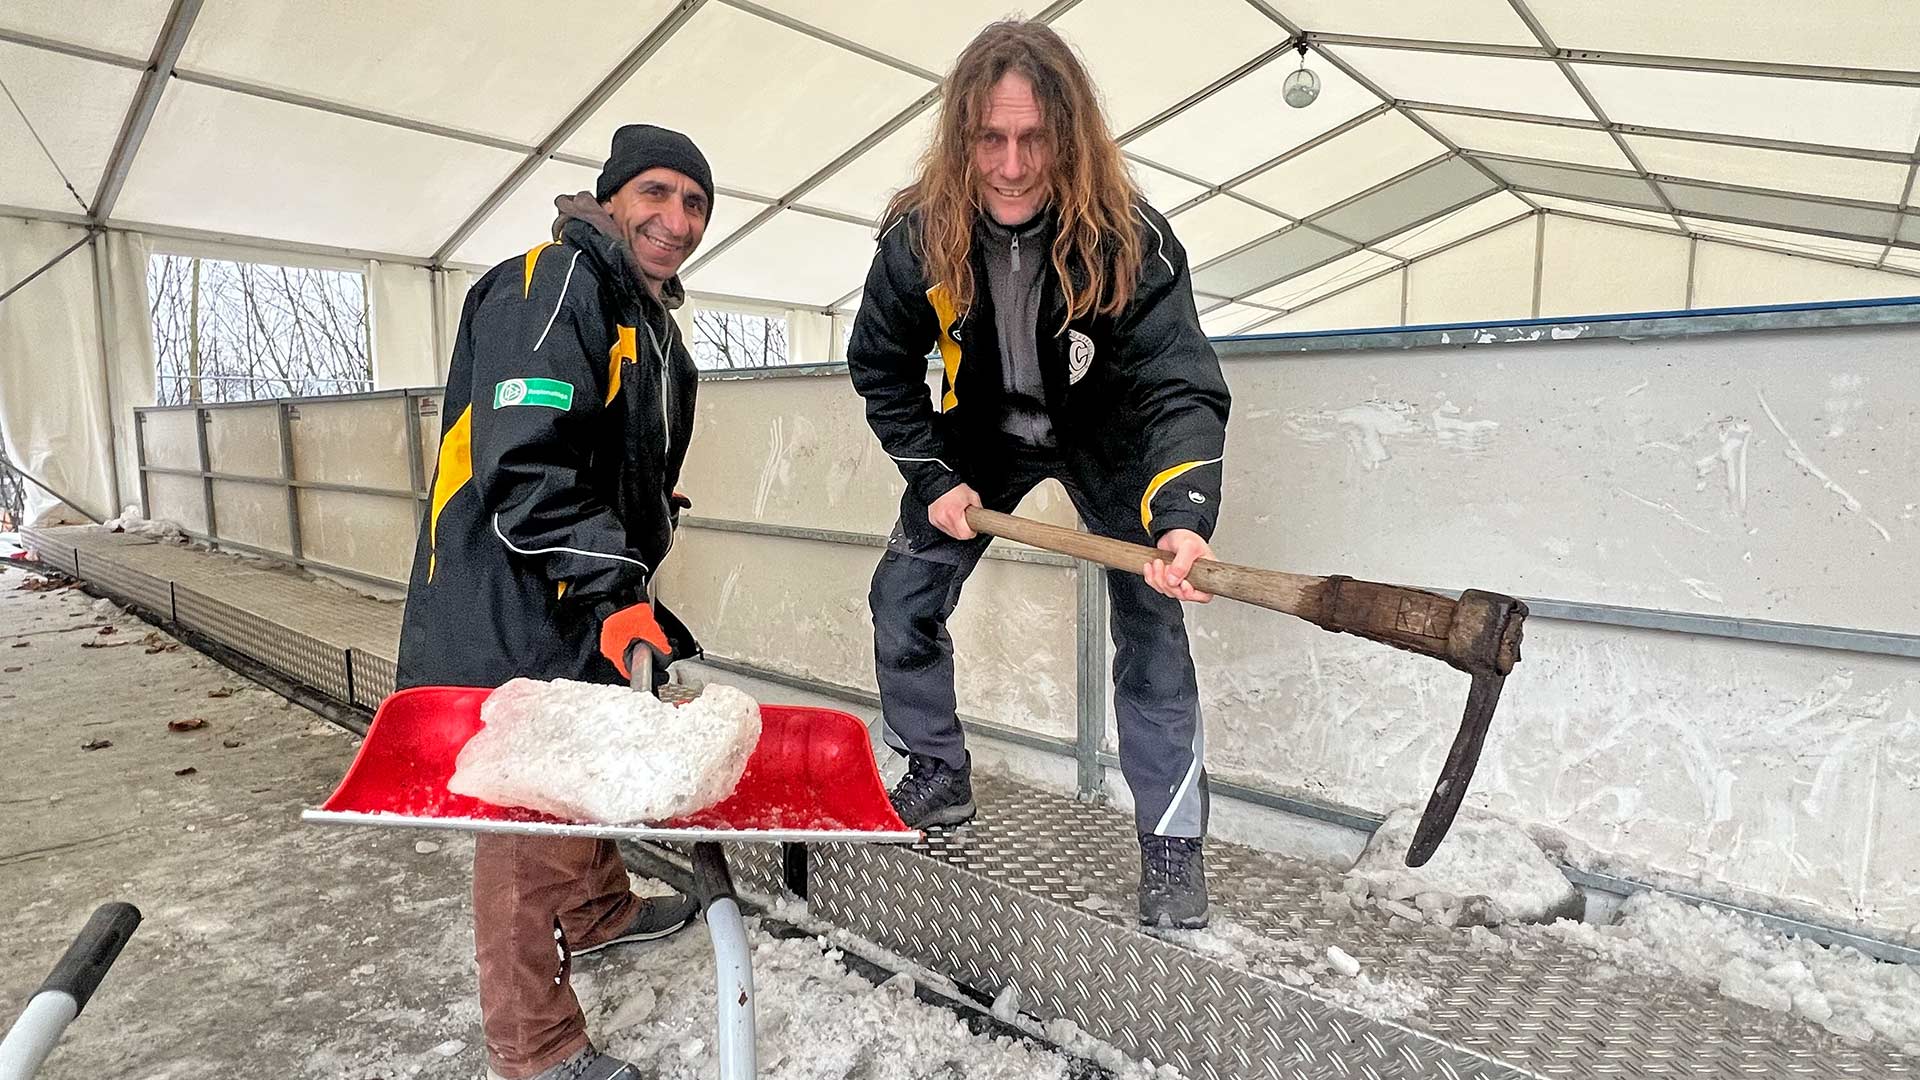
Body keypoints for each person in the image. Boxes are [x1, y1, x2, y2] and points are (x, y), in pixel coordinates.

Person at [847, 21, 1231, 930]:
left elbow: (1179, 383)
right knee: (902, 595)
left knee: (1152, 627)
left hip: (1106, 440)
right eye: (990, 139)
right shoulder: (917, 239)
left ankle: (1171, 844)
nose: (1012, 166)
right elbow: (881, 367)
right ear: (961, 137)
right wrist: (934, 475)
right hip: (979, 439)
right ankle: (938, 771)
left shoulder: (1127, 237)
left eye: (1033, 139)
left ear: (1068, 134)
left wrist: (1180, 512)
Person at [395, 124, 714, 1080]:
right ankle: (534, 1047)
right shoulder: (554, 281)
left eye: (696, 204)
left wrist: (647, 494)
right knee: (529, 809)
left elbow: (588, 431)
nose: (678, 219)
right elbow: (526, 462)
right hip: (513, 592)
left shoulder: (638, 310)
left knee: (594, 747)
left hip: (569, 583)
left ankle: (601, 909)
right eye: (657, 194)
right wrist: (614, 577)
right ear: (611, 198)